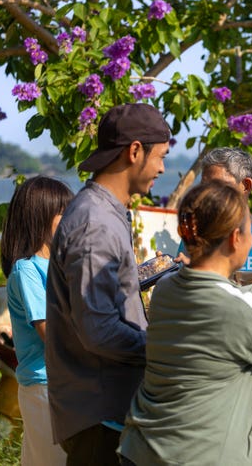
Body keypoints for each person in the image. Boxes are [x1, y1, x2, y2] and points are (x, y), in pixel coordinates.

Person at [118, 181, 252, 465]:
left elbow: (231, 299)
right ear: (236, 238)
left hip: (145, 448)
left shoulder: (166, 290)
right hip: (200, 456)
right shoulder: (235, 308)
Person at [45, 103, 171, 464]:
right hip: (99, 416)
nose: (162, 168)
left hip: (108, 409)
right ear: (134, 151)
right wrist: (165, 348)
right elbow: (99, 331)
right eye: (160, 157)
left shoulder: (105, 213)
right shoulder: (95, 223)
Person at [177, 147, 252, 466]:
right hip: (206, 385)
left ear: (246, 186)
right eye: (202, 185)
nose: (206, 194)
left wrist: (203, 276)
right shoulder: (195, 232)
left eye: (216, 184)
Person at [0, 176, 74, 466]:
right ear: (40, 217)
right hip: (44, 386)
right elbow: (50, 331)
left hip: (62, 383)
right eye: (64, 215)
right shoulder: (27, 270)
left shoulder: (59, 264)